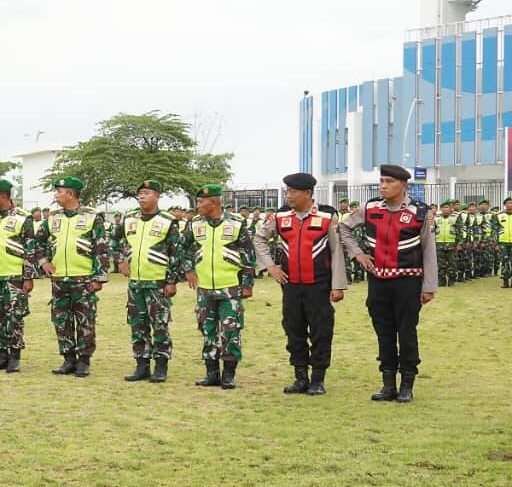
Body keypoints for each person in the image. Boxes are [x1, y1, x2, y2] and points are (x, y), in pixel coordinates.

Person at [337, 165, 438, 403]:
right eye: (381, 181)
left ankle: (407, 384)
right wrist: (357, 254)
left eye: (389, 182)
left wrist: (429, 286)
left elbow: (428, 249)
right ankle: (388, 384)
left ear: (403, 185)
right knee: (383, 332)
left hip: (408, 281)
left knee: (406, 332)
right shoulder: (370, 208)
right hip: (378, 281)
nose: (383, 186)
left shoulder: (419, 212)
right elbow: (343, 228)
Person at [252, 173, 346, 396]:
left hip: (319, 285)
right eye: (287, 191)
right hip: (291, 285)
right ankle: (300, 377)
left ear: (308, 193)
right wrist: (270, 267)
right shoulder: (280, 217)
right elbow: (258, 239)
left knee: (321, 331)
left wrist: (338, 284)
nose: (289, 196)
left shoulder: (326, 218)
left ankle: (318, 379)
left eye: (293, 191)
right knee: (294, 329)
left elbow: (336, 252)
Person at [33, 176, 109, 377]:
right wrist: (44, 262)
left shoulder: (93, 218)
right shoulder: (53, 219)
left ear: (71, 194)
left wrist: (98, 277)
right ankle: (68, 358)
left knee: (85, 319)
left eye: (59, 191)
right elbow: (36, 243)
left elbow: (101, 249)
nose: (56, 195)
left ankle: (84, 360)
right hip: (59, 280)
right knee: (61, 319)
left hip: (83, 278)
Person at [183, 184, 255, 389]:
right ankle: (211, 373)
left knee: (231, 330)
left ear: (213, 202)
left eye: (200, 202)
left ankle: (229, 374)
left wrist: (247, 284)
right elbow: (184, 248)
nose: (198, 206)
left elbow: (248, 255)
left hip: (230, 287)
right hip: (204, 288)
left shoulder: (237, 224)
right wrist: (188, 269)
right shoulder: (195, 224)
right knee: (208, 330)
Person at [116, 180, 182, 383]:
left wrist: (171, 281)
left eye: (147, 193)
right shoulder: (129, 219)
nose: (142, 196)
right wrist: (120, 261)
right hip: (135, 283)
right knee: (138, 325)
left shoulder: (168, 221)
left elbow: (176, 253)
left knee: (159, 325)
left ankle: (161, 366)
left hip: (157, 283)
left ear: (157, 196)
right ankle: (141, 365)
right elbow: (113, 242)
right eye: (141, 193)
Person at [0, 179, 37, 373]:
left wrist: (28, 278)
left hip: (15, 277)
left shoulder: (22, 218)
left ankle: (14, 356)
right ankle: (1, 355)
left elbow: (31, 250)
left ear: (4, 197)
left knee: (14, 317)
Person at [498, 197, 512, 288]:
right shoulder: (499, 215)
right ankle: (505, 281)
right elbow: (495, 229)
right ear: (505, 205)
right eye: (508, 203)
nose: (510, 204)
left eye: (511, 203)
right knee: (504, 262)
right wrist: (496, 243)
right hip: (503, 242)